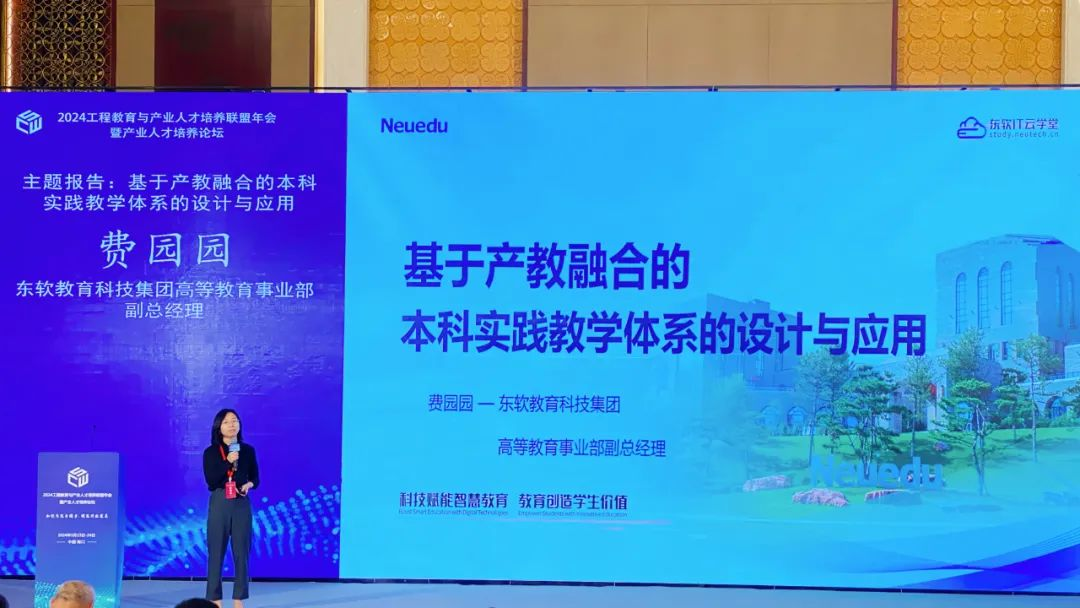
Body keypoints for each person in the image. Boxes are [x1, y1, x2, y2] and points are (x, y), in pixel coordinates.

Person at [203, 408, 260, 608]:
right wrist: (227, 461)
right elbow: (211, 480)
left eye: (235, 420)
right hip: (220, 501)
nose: (232, 425)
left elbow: (256, 478)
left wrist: (249, 484)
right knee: (216, 552)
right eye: (226, 422)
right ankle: (215, 600)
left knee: (241, 552)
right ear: (219, 427)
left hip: (241, 503)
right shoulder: (211, 452)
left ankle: (239, 599)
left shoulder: (248, 450)